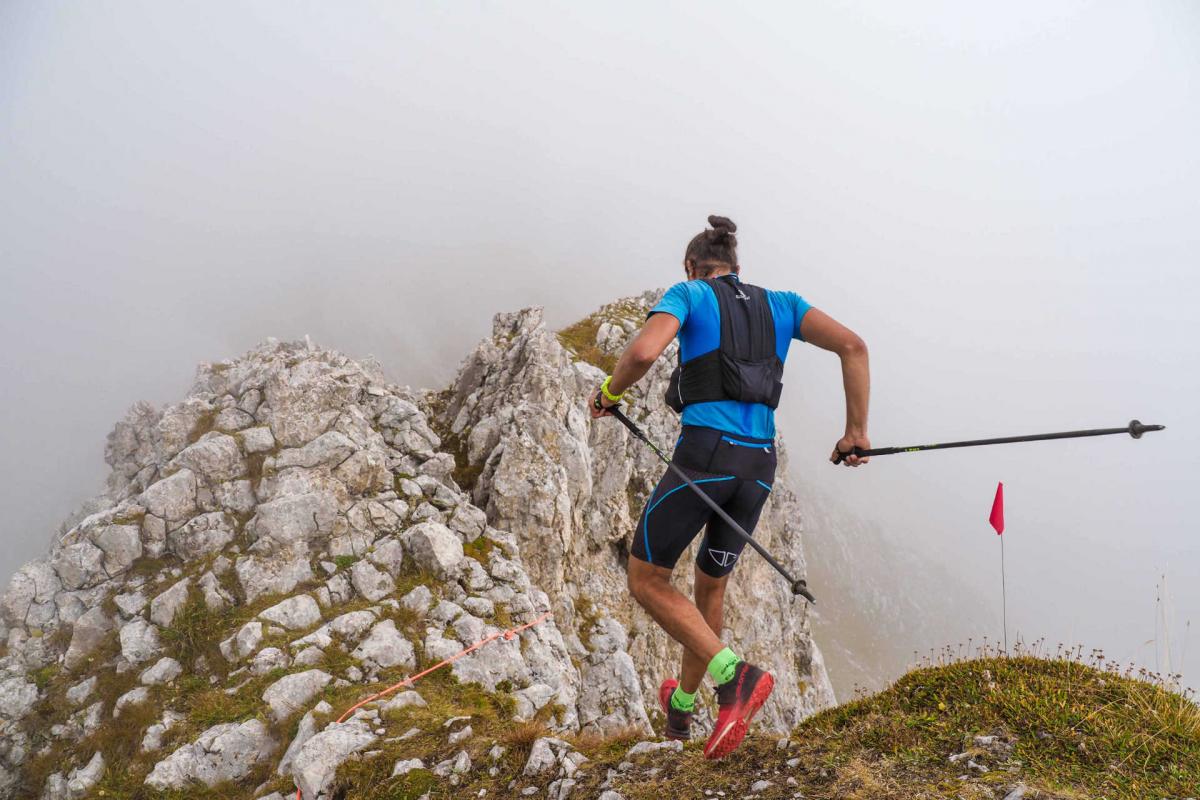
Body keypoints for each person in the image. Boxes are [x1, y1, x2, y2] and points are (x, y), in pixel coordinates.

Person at [590, 215, 871, 759]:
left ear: (692, 267)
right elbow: (854, 347)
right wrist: (856, 432)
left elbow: (644, 353)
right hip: (759, 468)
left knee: (646, 578)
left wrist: (609, 392)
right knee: (709, 588)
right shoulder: (783, 304)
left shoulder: (689, 293)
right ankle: (684, 710)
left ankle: (732, 676)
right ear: (739, 269)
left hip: (706, 456)